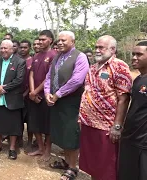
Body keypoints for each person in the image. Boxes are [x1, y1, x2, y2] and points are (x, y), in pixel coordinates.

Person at [78, 35, 132, 180]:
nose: (97, 50)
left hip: (106, 126)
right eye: (96, 47)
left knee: (106, 165)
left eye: (101, 47)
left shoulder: (120, 67)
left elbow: (124, 98)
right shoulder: (94, 67)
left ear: (113, 49)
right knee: (93, 162)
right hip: (89, 122)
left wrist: (117, 125)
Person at [44, 31, 89, 180]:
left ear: (73, 41)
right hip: (56, 102)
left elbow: (76, 80)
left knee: (71, 134)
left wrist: (57, 94)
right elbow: (49, 77)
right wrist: (47, 93)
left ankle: (72, 167)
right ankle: (66, 162)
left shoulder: (80, 57)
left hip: (71, 103)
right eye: (59, 40)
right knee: (61, 133)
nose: (60, 43)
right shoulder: (57, 57)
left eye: (64, 40)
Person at [0, 40, 26, 160]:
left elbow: (19, 79)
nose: (3, 50)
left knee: (13, 125)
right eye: (2, 48)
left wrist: (4, 89)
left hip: (12, 99)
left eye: (6, 48)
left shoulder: (20, 62)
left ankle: (12, 148)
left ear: (12, 49)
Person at [119, 41, 147, 180]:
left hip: (143, 143)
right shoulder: (138, 79)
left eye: (139, 54)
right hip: (130, 138)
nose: (134, 57)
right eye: (133, 54)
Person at [28, 30, 57, 161]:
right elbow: (32, 74)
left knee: (47, 125)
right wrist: (32, 92)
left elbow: (49, 77)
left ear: (50, 40)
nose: (40, 42)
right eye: (39, 39)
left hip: (46, 95)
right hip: (34, 96)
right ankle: (40, 148)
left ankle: (47, 150)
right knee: (34, 123)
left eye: (43, 39)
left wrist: (37, 91)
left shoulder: (54, 55)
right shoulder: (36, 56)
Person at [19, 39, 33, 149]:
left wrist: (26, 93)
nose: (23, 49)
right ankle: (18, 139)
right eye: (21, 47)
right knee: (17, 118)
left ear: (29, 48)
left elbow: (33, 79)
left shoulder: (32, 61)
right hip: (17, 95)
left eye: (25, 47)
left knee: (29, 120)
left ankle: (29, 140)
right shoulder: (16, 60)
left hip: (29, 96)